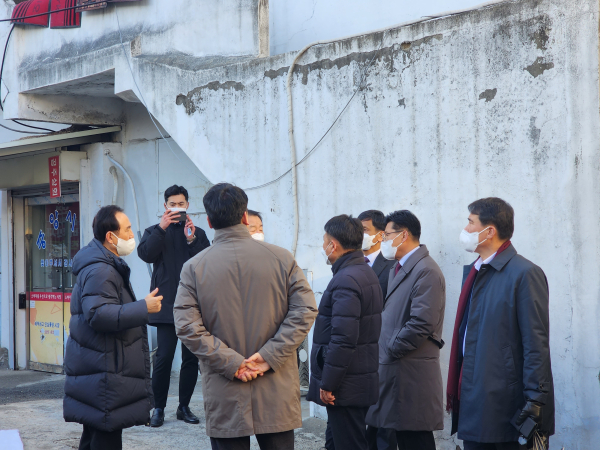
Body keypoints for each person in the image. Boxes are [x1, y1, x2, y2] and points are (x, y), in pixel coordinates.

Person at [174, 183, 318, 450]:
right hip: (275, 383)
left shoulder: (194, 267)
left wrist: (233, 363)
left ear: (209, 221)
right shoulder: (282, 258)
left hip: (225, 385)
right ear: (244, 217)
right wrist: (268, 356)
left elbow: (187, 326)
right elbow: (305, 310)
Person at [447, 198, 554, 450]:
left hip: (505, 404)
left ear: (490, 231)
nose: (466, 229)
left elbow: (535, 343)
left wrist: (536, 400)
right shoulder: (477, 271)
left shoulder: (524, 273)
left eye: (471, 223)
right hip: (475, 396)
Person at [63, 205, 163, 450]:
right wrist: (143, 308)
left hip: (100, 366)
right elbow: (98, 314)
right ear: (110, 236)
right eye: (127, 229)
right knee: (104, 437)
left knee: (95, 435)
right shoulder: (102, 270)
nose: (131, 235)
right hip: (104, 369)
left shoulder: (102, 264)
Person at [365, 210, 446, 450]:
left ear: (404, 235)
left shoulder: (426, 270)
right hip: (394, 369)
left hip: (409, 371)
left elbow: (422, 323)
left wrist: (391, 349)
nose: (384, 240)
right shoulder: (399, 267)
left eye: (387, 235)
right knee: (389, 434)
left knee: (414, 438)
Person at [307, 214, 383, 450]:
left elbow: (343, 338)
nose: (323, 247)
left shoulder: (347, 279)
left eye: (324, 241)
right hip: (355, 379)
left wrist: (328, 383)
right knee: (336, 442)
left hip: (346, 384)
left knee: (349, 444)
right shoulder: (362, 271)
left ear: (333, 245)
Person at [137, 185, 210, 427]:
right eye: (172, 204)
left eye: (180, 204)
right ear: (165, 206)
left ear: (187, 205)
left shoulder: (197, 233)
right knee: (164, 357)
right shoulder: (154, 231)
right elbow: (146, 254)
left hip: (193, 305)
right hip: (165, 303)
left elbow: (207, 263)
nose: (176, 208)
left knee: (190, 359)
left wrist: (191, 240)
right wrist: (162, 228)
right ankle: (158, 408)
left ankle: (183, 407)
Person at [359, 210, 397, 450]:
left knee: (383, 418)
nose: (360, 235)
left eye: (365, 230)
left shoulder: (392, 266)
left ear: (380, 235)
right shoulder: (352, 262)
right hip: (356, 350)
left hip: (382, 349)